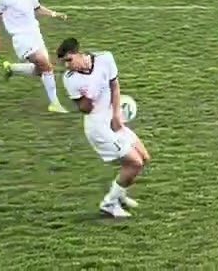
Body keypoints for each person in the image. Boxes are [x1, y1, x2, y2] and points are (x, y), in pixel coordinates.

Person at [59, 37, 151, 218]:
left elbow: (114, 86)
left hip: (112, 120)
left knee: (144, 157)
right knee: (134, 163)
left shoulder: (105, 59)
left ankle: (120, 195)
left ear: (79, 52)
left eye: (69, 60)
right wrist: (89, 97)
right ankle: (109, 203)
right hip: (98, 128)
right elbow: (84, 109)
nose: (67, 66)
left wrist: (117, 115)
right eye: (64, 63)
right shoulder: (70, 79)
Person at [0, 0, 69, 113]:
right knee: (46, 65)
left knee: (41, 70)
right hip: (21, 38)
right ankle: (54, 104)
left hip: (35, 34)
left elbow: (37, 8)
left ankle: (12, 68)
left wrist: (54, 14)